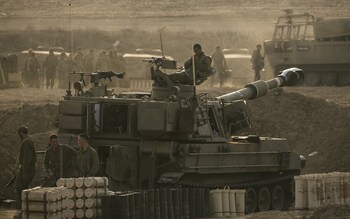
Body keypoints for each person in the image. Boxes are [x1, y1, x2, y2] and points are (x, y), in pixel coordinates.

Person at [14, 126, 36, 208]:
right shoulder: (29, 140)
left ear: (21, 133)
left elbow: (27, 158)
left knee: (18, 188)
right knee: (24, 187)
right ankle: (26, 207)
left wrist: (25, 172)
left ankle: (21, 208)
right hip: (29, 167)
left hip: (27, 167)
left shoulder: (26, 142)